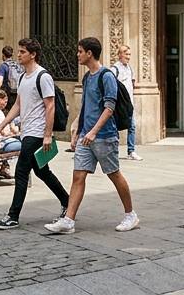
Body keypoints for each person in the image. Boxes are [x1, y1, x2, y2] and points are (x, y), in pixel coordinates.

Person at [44, 37, 140, 234]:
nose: (77, 55)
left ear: (89, 53)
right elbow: (87, 105)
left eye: (80, 51)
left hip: (104, 136)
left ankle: (131, 215)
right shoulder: (87, 77)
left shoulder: (107, 76)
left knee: (113, 174)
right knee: (78, 175)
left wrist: (93, 132)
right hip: (85, 137)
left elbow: (109, 107)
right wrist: (77, 130)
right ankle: (68, 220)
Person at [0, 38, 71, 230]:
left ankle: (13, 215)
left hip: (37, 133)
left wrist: (47, 135)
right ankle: (68, 202)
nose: (18, 55)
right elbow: (18, 105)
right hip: (26, 132)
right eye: (19, 52)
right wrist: (1, 126)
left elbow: (50, 106)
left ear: (33, 54)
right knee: (42, 171)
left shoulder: (43, 77)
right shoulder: (23, 77)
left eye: (22, 52)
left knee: (21, 171)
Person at [109, 46, 142, 162]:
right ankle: (113, 150)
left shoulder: (129, 68)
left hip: (129, 104)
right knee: (115, 127)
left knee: (132, 126)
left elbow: (132, 82)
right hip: (119, 105)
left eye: (129, 54)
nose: (128, 57)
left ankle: (131, 150)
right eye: (126, 54)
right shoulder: (114, 69)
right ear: (119, 55)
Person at [0, 46, 21, 112]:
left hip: (7, 95)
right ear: (12, 55)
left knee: (7, 115)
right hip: (19, 95)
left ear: (3, 55)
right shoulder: (19, 66)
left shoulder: (3, 67)